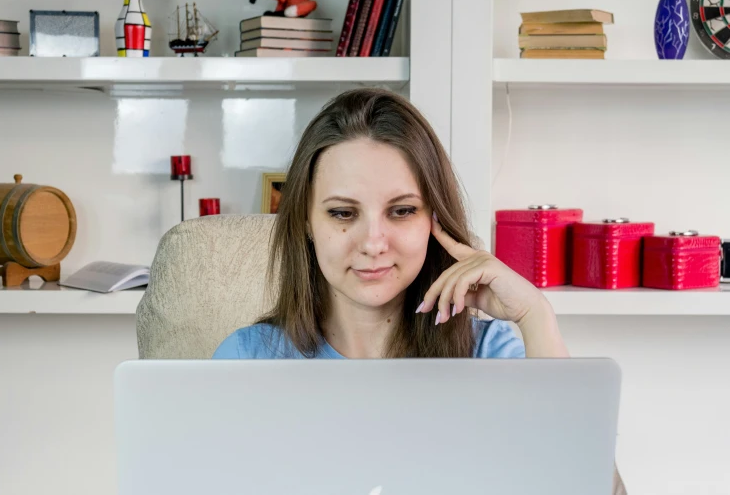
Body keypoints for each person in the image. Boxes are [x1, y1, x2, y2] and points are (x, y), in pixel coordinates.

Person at [213, 88, 626, 494]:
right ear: (306, 221)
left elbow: (586, 485)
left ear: (435, 220)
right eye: (343, 213)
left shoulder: (490, 356)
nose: (373, 243)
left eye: (402, 211)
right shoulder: (247, 359)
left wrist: (535, 314)